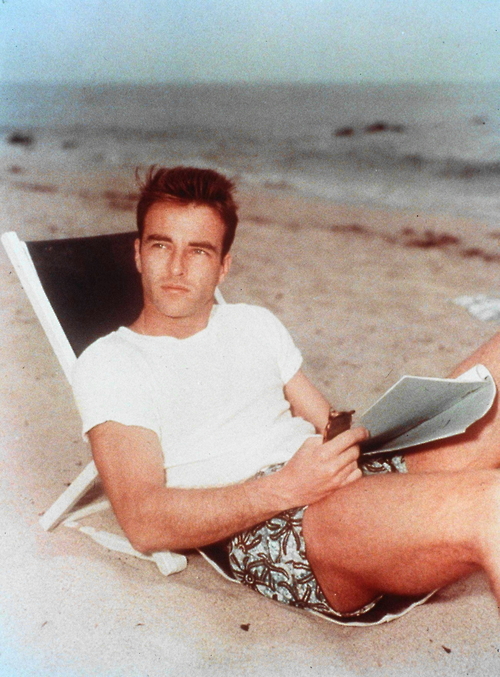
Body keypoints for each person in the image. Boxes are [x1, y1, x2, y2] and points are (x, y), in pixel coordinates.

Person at [72, 165, 500, 625]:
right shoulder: (112, 362)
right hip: (280, 525)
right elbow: (143, 521)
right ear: (138, 253)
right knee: (491, 504)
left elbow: (325, 418)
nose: (177, 267)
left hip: (336, 475)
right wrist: (288, 487)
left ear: (223, 265)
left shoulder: (254, 322)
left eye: (198, 250)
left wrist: (367, 433)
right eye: (161, 245)